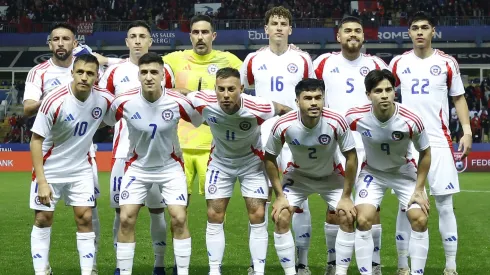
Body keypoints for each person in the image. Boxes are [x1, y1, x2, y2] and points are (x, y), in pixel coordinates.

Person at [186, 67, 292, 275]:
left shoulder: (258, 106)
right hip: (220, 163)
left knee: (258, 214)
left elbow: (285, 110)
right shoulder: (201, 100)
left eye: (231, 89)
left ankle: (258, 270)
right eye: (221, 89)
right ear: (214, 89)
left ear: (241, 89)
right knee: (214, 215)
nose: (226, 95)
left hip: (251, 164)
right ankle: (214, 271)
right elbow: (180, 95)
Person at [390, 12, 472, 275]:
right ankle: (403, 266)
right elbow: (384, 96)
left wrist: (467, 130)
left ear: (433, 31)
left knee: (445, 205)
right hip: (406, 144)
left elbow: (458, 98)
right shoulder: (398, 63)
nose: (420, 32)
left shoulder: (447, 62)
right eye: (415, 28)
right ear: (409, 33)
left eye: (425, 27)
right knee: (406, 206)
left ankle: (451, 266)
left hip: (438, 142)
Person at [104, 52, 201, 275]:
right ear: (138, 75)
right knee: (126, 219)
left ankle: (182, 271)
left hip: (170, 168)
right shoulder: (124, 101)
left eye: (154, 72)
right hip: (137, 168)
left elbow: (199, 119)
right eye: (144, 72)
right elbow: (106, 119)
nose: (149, 77)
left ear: (163, 76)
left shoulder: (177, 102)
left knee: (179, 217)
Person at [23, 23, 104, 274]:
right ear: (50, 44)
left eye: (65, 39)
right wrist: (54, 100)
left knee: (88, 214)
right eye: (55, 39)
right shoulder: (40, 73)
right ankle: (42, 269)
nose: (60, 43)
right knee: (43, 217)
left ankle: (90, 267)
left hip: (82, 153)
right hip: (52, 152)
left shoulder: (86, 68)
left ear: (74, 43)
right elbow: (27, 108)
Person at [240, 6, 315, 274]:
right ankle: (256, 263)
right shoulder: (252, 59)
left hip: (296, 136)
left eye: (284, 23)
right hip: (262, 135)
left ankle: (302, 262)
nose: (279, 27)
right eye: (274, 23)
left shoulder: (304, 59)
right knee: (258, 199)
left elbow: (313, 96)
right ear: (266, 29)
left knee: (298, 199)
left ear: (290, 29)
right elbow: (242, 94)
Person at [313, 16, 388, 275]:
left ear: (363, 36)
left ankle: (374, 265)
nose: (352, 35)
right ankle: (333, 264)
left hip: (370, 144)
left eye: (357, 31)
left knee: (371, 208)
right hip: (334, 145)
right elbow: (313, 98)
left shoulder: (377, 64)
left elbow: (387, 100)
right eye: (347, 31)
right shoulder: (323, 63)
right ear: (338, 36)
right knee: (335, 208)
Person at [98, 20, 174, 275]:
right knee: (122, 213)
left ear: (151, 41)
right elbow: (103, 106)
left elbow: (172, 106)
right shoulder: (114, 73)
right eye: (133, 36)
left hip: (159, 154)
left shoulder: (166, 70)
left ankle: (159, 264)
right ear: (127, 42)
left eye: (143, 36)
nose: (138, 40)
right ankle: (121, 267)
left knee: (157, 210)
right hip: (123, 153)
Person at [264, 78, 357, 275]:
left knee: (347, 216)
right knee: (280, 216)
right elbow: (270, 158)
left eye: (318, 97)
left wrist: (347, 196)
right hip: (298, 176)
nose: (314, 102)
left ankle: (338, 271)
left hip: (331, 176)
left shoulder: (336, 120)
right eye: (308, 98)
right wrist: (280, 196)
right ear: (297, 101)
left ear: (324, 99)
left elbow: (351, 156)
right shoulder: (283, 124)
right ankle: (292, 272)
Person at [346, 69, 431, 275]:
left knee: (420, 218)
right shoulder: (354, 116)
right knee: (364, 219)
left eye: (388, 90)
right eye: (378, 91)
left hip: (404, 172)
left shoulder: (411, 120)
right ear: (368, 95)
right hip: (372, 173)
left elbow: (425, 152)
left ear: (395, 92)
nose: (384, 95)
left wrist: (419, 188)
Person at [163, 14, 242, 205]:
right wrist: (179, 91)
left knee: (215, 210)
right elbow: (143, 67)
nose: (200, 36)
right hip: (180, 147)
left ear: (213, 36)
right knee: (178, 211)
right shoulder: (175, 59)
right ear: (190, 36)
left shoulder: (229, 60)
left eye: (205, 32)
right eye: (196, 32)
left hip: (215, 148)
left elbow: (252, 80)